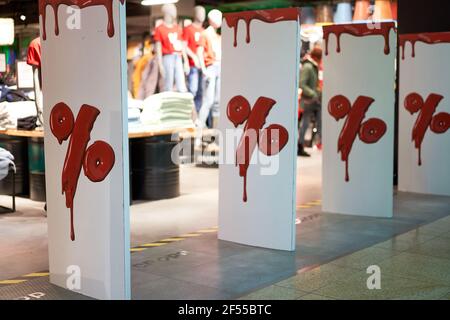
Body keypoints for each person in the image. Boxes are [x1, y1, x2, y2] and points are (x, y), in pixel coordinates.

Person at [196, 9, 222, 129]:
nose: (220, 20)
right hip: (210, 67)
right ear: (211, 19)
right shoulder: (205, 34)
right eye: (218, 17)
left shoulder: (218, 36)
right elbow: (199, 51)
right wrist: (204, 69)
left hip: (219, 67)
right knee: (208, 101)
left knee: (217, 102)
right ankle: (198, 133)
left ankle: (217, 134)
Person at [154, 3, 189, 92]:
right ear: (167, 12)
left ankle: (183, 103)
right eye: (173, 9)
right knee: (168, 84)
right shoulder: (159, 29)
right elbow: (158, 48)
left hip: (178, 57)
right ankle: (167, 104)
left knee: (181, 84)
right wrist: (160, 64)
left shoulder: (177, 28)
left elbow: (182, 46)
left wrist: (186, 61)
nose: (175, 11)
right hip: (167, 57)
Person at [298, 45, 322, 157]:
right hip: (309, 100)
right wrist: (313, 93)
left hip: (314, 100)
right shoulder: (308, 66)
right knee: (305, 124)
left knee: (314, 123)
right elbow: (302, 83)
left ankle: (306, 144)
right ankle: (300, 145)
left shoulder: (312, 66)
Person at [183, 6, 206, 112]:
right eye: (200, 12)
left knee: (200, 92)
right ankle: (189, 114)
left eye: (204, 13)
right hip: (193, 65)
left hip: (201, 66)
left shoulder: (203, 31)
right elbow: (184, 46)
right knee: (193, 90)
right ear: (195, 14)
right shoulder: (188, 29)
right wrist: (192, 58)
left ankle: (196, 114)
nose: (202, 15)